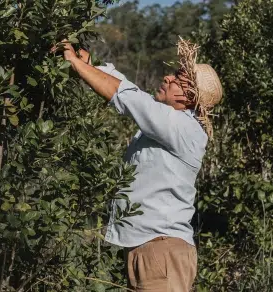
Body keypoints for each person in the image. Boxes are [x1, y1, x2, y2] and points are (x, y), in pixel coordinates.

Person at [52, 39, 223, 291]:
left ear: (189, 97)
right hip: (150, 248)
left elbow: (129, 99)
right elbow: (128, 90)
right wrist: (92, 65)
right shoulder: (169, 126)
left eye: (177, 77)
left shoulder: (184, 127)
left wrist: (77, 65)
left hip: (162, 249)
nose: (167, 77)